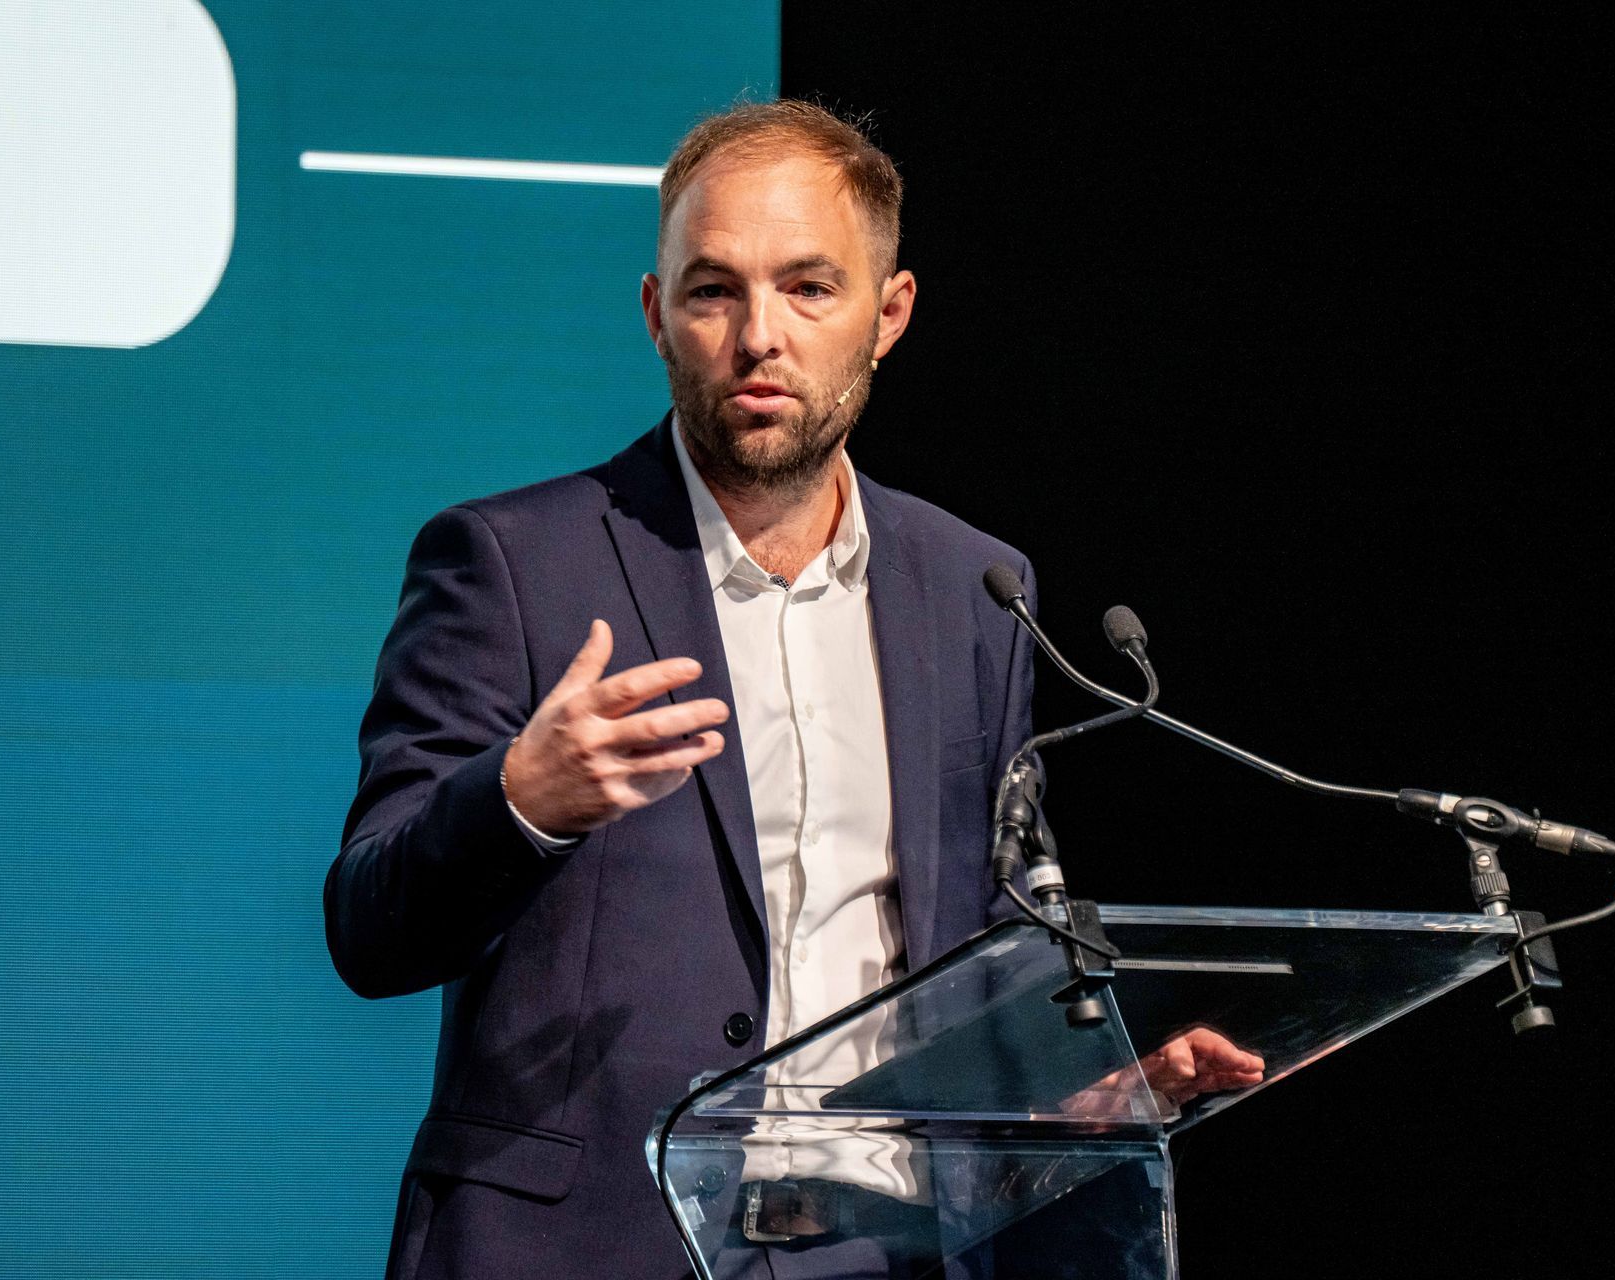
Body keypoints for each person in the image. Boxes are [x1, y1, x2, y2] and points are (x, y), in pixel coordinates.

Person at [326, 100, 1259, 1280]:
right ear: (657, 315)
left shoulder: (975, 589)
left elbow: (978, 941)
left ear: (889, 313)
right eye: (713, 291)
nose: (758, 335)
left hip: (887, 1251)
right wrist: (522, 801)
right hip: (585, 1246)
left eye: (809, 288)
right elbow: (369, 929)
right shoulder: (514, 563)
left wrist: (1068, 1097)